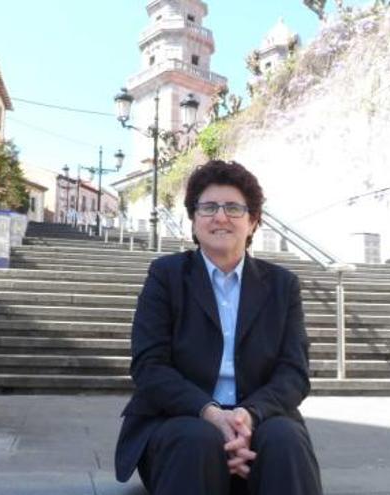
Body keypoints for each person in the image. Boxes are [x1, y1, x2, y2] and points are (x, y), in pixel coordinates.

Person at [114, 160, 323, 495]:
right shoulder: (166, 276)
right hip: (178, 418)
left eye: (233, 208)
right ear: (194, 221)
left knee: (285, 442)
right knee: (197, 441)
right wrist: (210, 413)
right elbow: (149, 366)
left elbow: (293, 373)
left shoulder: (283, 286)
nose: (220, 217)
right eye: (208, 207)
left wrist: (247, 417)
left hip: (259, 416)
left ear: (253, 222)